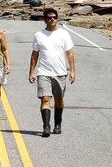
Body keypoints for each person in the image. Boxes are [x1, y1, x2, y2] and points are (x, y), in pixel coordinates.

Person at [28, 8, 76, 137]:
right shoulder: (39, 35)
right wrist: (31, 72)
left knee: (59, 99)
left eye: (54, 17)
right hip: (43, 72)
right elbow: (34, 54)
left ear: (57, 18)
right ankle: (46, 126)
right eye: (49, 18)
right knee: (45, 98)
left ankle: (58, 124)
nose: (52, 19)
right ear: (45, 20)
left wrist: (72, 71)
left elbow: (69, 53)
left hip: (60, 72)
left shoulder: (64, 34)